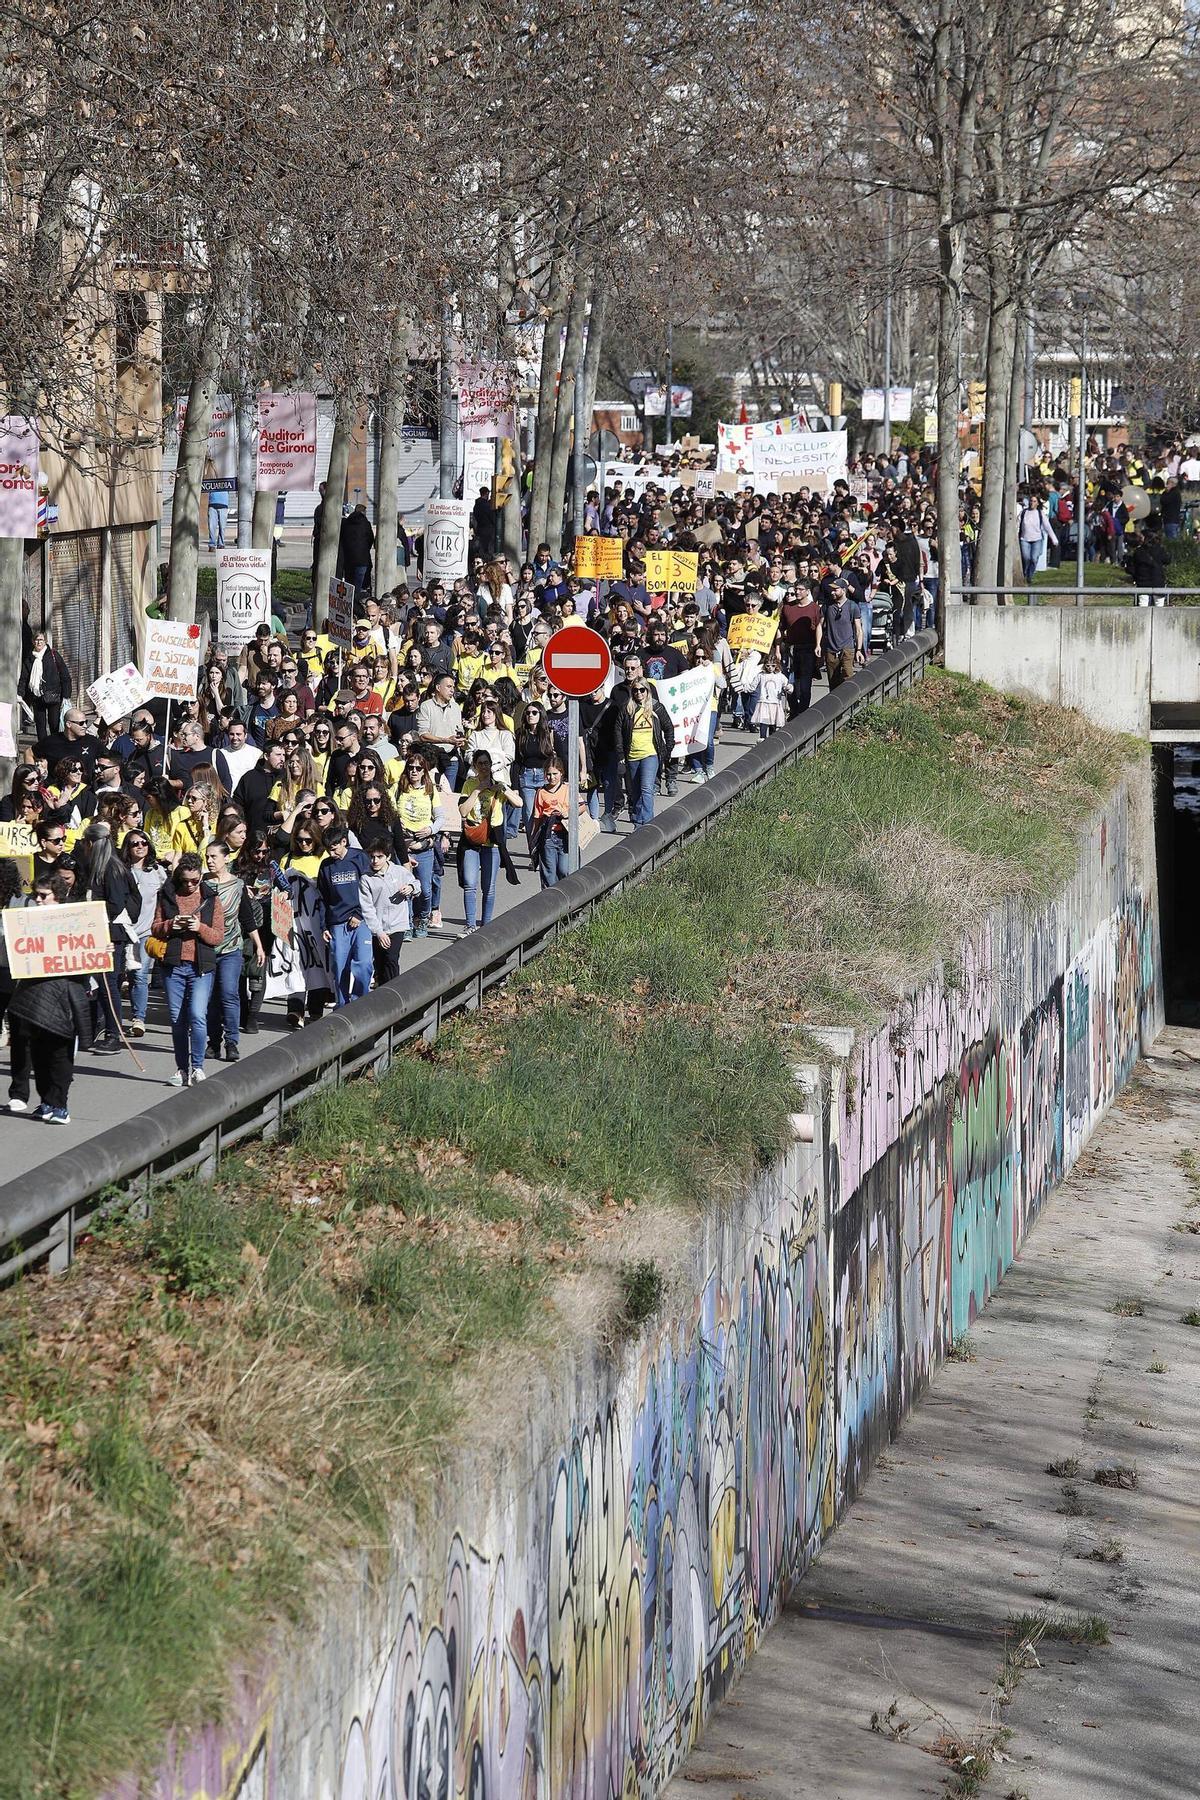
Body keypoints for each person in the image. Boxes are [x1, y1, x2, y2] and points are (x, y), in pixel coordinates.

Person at [6, 872, 92, 1124]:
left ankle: (59, 1104)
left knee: (59, 1054)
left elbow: (86, 955)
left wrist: (101, 949)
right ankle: (46, 1101)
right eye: (36, 896)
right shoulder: (25, 922)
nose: (38, 901)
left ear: (58, 898)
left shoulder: (75, 922)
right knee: (40, 1054)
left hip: (62, 997)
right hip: (32, 997)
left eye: (44, 896)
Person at [151, 853, 225, 1086]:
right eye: (185, 881)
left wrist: (199, 927)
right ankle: (182, 1069)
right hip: (173, 965)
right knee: (177, 1018)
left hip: (200, 966)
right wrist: (170, 925)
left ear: (201, 877)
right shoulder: (167, 895)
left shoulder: (211, 898)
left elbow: (217, 936)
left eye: (195, 880)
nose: (190, 885)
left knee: (197, 1015)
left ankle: (198, 1067)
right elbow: (155, 928)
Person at [76, 819, 139, 1054]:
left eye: (85, 843)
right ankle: (99, 1028)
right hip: (98, 931)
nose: (83, 847)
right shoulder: (99, 867)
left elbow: (115, 904)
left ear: (92, 843)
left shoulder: (111, 868)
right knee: (98, 984)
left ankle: (114, 1034)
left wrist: (90, 911)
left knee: (108, 984)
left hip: (110, 933)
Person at [204, 840, 264, 1061]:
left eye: (214, 857)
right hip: (207, 948)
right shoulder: (202, 884)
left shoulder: (238, 886)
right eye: (207, 857)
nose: (210, 861)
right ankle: (213, 1042)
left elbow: (247, 918)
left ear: (226, 858)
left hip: (231, 948)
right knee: (210, 998)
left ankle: (232, 1042)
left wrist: (258, 946)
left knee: (229, 993)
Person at [456, 751, 519, 931]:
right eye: (480, 763)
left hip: (492, 840)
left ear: (490, 765)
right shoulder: (469, 785)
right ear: (475, 766)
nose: (483, 767)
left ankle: (486, 925)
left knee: (488, 886)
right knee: (470, 883)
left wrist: (502, 788)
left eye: (486, 763)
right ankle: (470, 925)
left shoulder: (498, 786)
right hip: (472, 839)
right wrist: (477, 790)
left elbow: (519, 803)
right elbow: (462, 811)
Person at [316, 823, 372, 1004]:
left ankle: (359, 1001)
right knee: (340, 967)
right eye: (328, 851)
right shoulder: (326, 866)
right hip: (337, 922)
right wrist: (324, 925)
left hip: (361, 920)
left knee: (363, 965)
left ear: (344, 842)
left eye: (334, 849)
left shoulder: (360, 858)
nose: (332, 854)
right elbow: (323, 897)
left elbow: (371, 889)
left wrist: (360, 914)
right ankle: (342, 1006)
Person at [120, 827, 167, 1038]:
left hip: (146, 932)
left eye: (144, 842)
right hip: (124, 930)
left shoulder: (157, 871)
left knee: (139, 975)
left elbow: (168, 897)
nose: (140, 846)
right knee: (127, 973)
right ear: (127, 849)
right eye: (135, 844)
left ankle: (139, 1019)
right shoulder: (121, 871)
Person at [359, 838, 421, 984]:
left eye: (379, 857)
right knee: (380, 963)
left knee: (391, 959)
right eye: (372, 857)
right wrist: (379, 932)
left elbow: (416, 884)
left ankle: (395, 990)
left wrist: (411, 888)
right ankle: (381, 987)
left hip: (397, 925)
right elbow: (367, 908)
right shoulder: (366, 878)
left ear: (388, 857)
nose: (375, 861)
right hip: (378, 928)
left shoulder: (399, 872)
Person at [619, 678, 675, 827]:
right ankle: (638, 822)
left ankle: (648, 823)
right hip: (632, 756)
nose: (639, 693)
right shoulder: (627, 708)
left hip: (650, 754)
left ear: (647, 691)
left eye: (642, 690)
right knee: (635, 791)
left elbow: (669, 728)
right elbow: (617, 731)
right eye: (635, 690)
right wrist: (620, 754)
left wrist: (667, 750)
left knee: (646, 788)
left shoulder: (656, 708)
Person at [19, 630, 72, 744]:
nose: (38, 642)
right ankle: (43, 747)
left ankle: (55, 745)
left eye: (41, 640)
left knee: (54, 724)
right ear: (33, 642)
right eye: (36, 640)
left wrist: (66, 696)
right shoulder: (29, 658)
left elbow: (65, 676)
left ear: (45, 641)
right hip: (37, 696)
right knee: (40, 725)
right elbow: (24, 678)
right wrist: (20, 694)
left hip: (53, 695)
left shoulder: (53, 655)